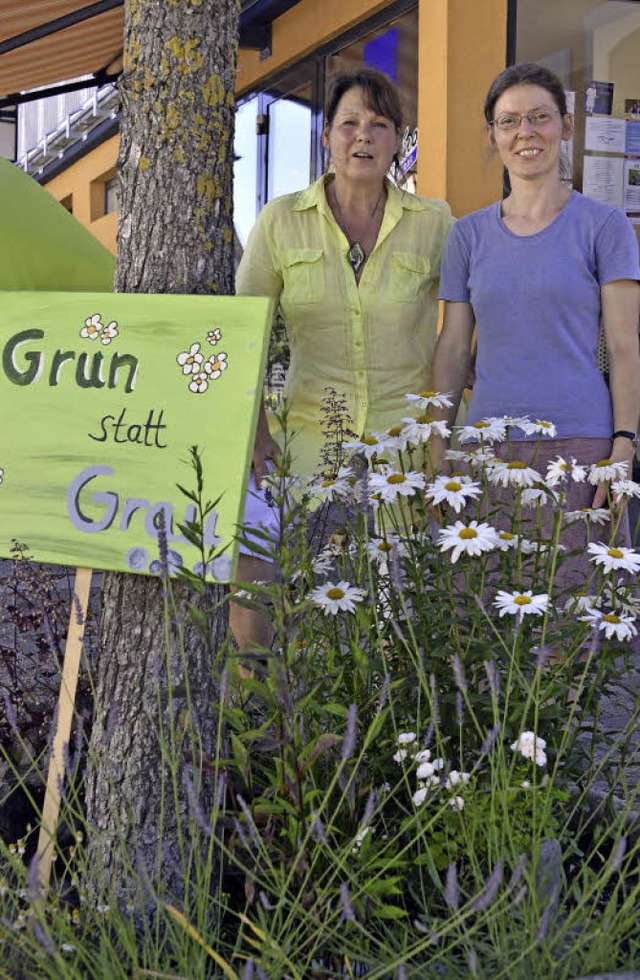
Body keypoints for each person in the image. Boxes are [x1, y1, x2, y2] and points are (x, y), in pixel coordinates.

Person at [233, 67, 454, 653]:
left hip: (404, 449)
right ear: (327, 135)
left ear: (397, 141)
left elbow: (463, 331)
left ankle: (391, 736)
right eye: (350, 123)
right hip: (308, 442)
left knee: (396, 611)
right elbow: (244, 334)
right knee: (311, 600)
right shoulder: (281, 221)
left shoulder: (435, 224)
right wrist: (257, 436)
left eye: (380, 125)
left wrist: (441, 445)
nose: (364, 137)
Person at [430, 62, 640, 591]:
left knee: (576, 626)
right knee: (486, 625)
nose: (526, 133)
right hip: (486, 452)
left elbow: (625, 347)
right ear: (494, 136)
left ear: (566, 126)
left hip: (582, 454)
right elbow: (454, 349)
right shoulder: (467, 236)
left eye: (540, 117)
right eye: (509, 121)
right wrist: (438, 450)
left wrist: (623, 448)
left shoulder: (604, 226)